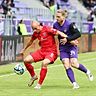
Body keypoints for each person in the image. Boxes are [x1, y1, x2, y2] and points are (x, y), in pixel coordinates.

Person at [20, 21, 67, 89]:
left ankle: (39, 84)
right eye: (33, 29)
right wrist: (24, 49)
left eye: (36, 28)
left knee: (44, 63)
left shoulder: (47, 29)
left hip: (51, 52)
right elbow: (31, 41)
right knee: (26, 60)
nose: (35, 30)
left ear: (39, 25)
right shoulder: (36, 33)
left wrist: (69, 38)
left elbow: (59, 32)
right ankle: (33, 76)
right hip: (42, 51)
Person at [53, 9, 93, 89]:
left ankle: (87, 72)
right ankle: (75, 84)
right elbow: (57, 35)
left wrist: (68, 40)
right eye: (56, 16)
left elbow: (78, 34)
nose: (56, 18)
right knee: (66, 64)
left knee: (74, 63)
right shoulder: (55, 25)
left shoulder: (70, 24)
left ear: (63, 17)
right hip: (63, 48)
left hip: (71, 47)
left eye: (58, 17)